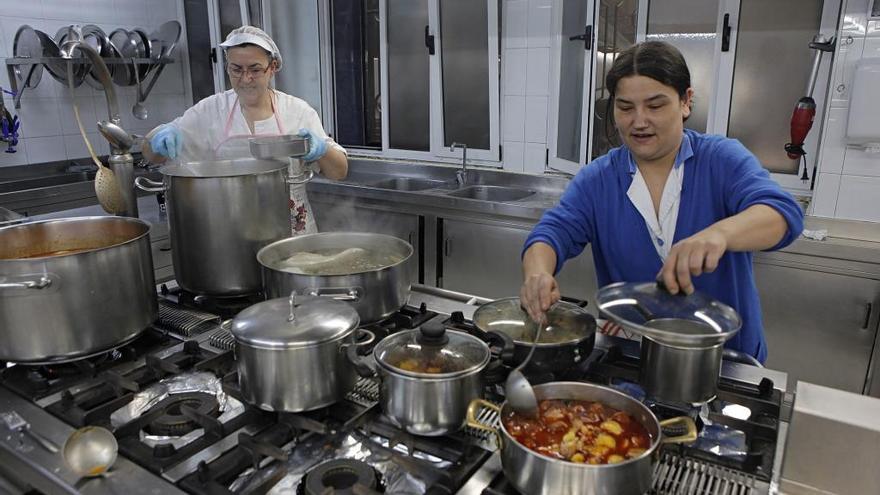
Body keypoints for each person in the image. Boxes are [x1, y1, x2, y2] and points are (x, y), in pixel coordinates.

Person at [519, 41, 804, 363]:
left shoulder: (720, 159)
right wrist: (537, 274)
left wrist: (719, 234)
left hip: (723, 361)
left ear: (685, 102)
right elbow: (551, 233)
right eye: (626, 108)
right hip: (631, 357)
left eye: (655, 106)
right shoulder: (598, 179)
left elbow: (783, 213)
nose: (639, 121)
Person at [142, 26, 347, 235]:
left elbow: (339, 172)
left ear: (272, 67)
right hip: (231, 237)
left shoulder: (297, 111)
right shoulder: (211, 110)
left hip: (293, 235)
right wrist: (158, 140)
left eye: (255, 69)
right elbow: (151, 154)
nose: (245, 78)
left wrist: (321, 150)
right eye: (236, 69)